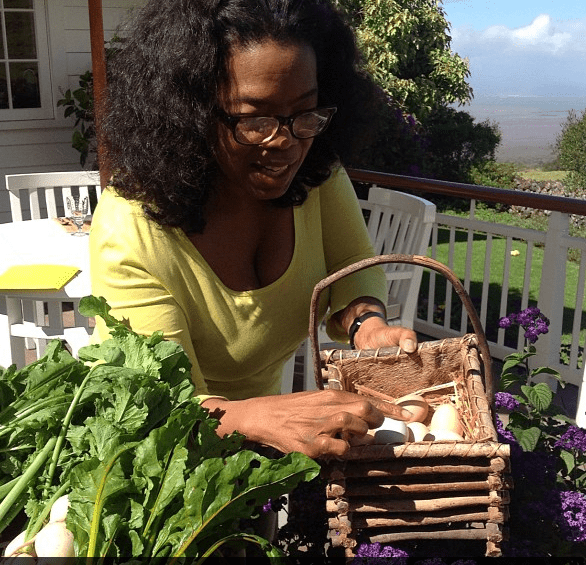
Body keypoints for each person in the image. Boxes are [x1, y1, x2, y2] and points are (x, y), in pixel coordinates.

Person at [89, 0, 418, 461]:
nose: (285, 142)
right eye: (255, 120)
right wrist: (263, 418)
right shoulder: (131, 228)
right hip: (160, 459)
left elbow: (350, 266)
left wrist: (366, 323)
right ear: (190, 113)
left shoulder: (316, 175)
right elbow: (159, 409)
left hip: (269, 447)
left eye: (306, 113)